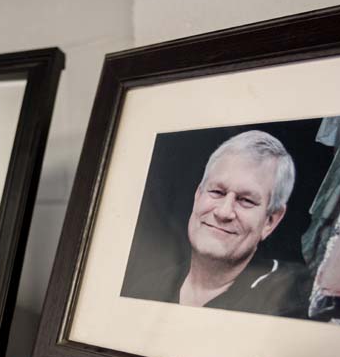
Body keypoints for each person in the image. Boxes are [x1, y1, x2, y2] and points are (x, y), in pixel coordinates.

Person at [126, 130, 312, 318]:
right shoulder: (146, 287)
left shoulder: (294, 299)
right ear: (198, 196)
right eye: (217, 192)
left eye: (246, 200)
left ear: (270, 221)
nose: (224, 212)